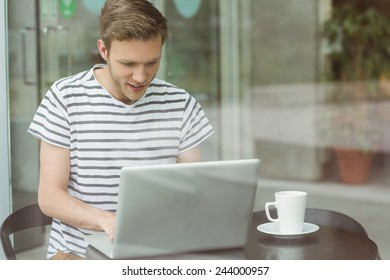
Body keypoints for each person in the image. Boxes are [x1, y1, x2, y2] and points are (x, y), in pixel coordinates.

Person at [28, 0, 214, 260]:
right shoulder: (65, 98)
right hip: (78, 257)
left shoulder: (180, 104)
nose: (141, 77)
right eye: (128, 64)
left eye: (152, 63)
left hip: (157, 255)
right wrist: (108, 221)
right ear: (103, 50)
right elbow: (50, 196)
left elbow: (194, 187)